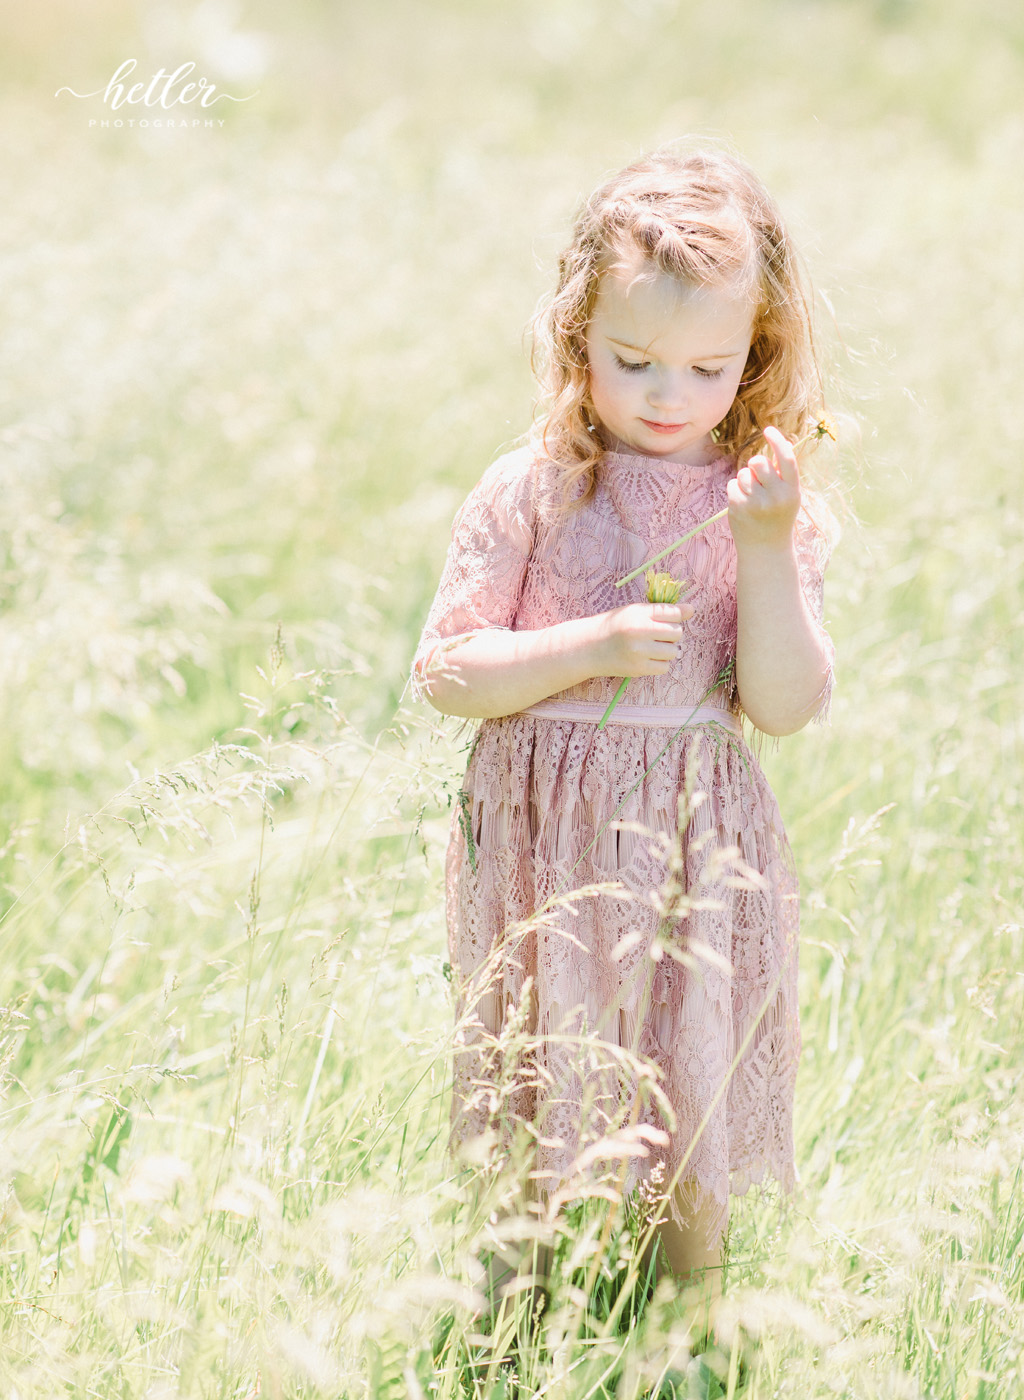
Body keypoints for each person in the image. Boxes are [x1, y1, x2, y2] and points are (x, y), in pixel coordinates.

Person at [409, 144, 837, 1321]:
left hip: (694, 850)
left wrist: (761, 547)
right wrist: (584, 648)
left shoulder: (753, 496)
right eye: (631, 358)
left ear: (753, 351)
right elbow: (446, 668)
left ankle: (685, 1332)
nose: (666, 393)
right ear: (574, 339)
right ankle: (508, 1327)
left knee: (684, 1087)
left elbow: (788, 704)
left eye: (706, 366)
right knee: (530, 1090)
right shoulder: (536, 487)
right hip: (544, 851)